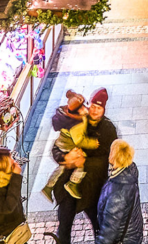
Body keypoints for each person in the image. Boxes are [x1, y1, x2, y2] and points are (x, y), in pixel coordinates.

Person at [54, 94, 118, 244]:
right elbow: (58, 146)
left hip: (94, 187)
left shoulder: (108, 129)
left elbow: (109, 158)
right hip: (70, 186)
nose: (95, 111)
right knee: (64, 226)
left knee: (99, 225)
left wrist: (82, 161)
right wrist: (65, 158)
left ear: (104, 109)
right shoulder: (78, 122)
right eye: (93, 106)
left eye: (99, 108)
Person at [94, 140, 142, 244]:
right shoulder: (131, 169)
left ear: (114, 156)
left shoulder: (117, 194)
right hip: (133, 231)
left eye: (111, 151)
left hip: (124, 239)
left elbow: (109, 230)